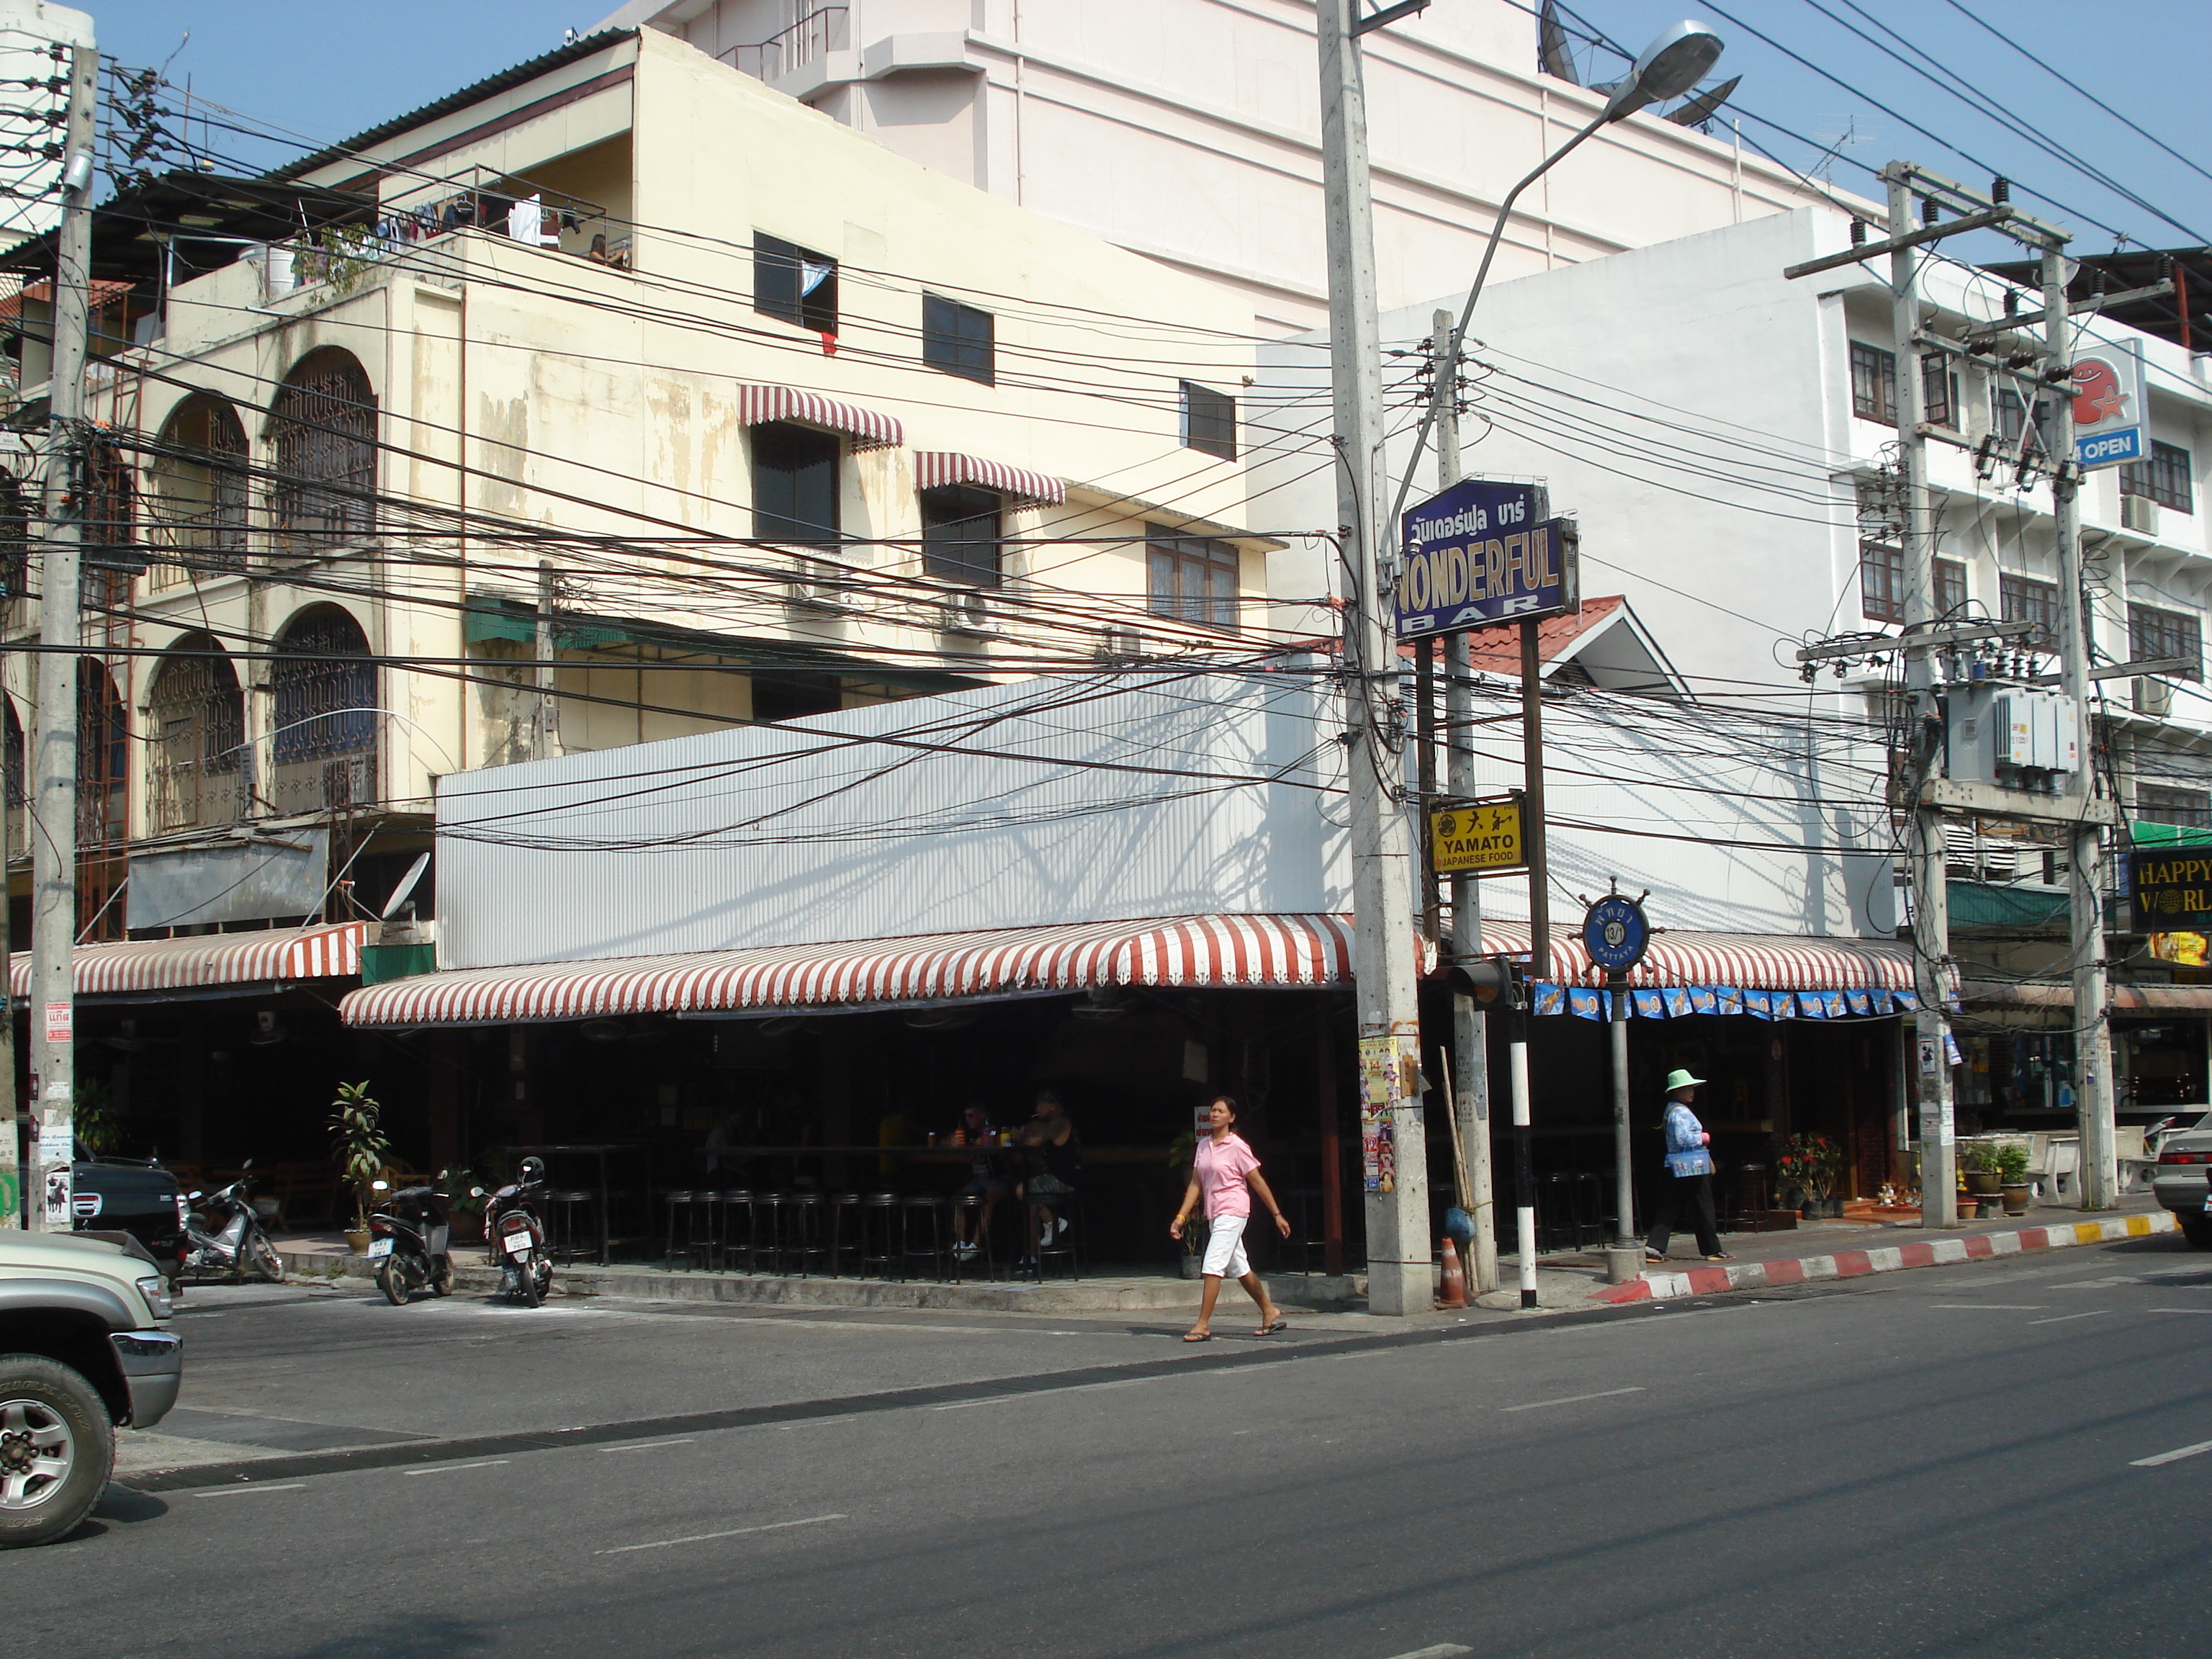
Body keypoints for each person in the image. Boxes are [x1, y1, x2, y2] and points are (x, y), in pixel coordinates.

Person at [1169, 1095, 1290, 1341]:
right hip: (1214, 1213)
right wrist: (1181, 1216)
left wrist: (1277, 1213)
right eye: (1213, 1110)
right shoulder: (1203, 1146)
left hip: (1233, 1210)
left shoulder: (1237, 1146)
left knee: (1213, 1265)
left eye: (1221, 1111)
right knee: (1239, 1266)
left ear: (1231, 1118)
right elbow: (1196, 1184)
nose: (1215, 1115)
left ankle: (1202, 1324)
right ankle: (1269, 1311)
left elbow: (1256, 1181)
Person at [1645, 1067, 1730, 1264]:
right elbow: (1683, 1139)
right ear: (1677, 1091)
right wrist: (1703, 1137)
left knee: (1669, 1206)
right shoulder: (1681, 1112)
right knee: (1703, 1205)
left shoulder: (1672, 1110)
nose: (1692, 1091)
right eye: (1688, 1088)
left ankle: (1654, 1247)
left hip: (1673, 1165)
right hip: (1691, 1166)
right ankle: (1712, 1249)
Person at [1015, 1088, 1080, 1249]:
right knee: (1032, 1198)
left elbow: (1036, 1141)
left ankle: (1054, 1222)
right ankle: (1032, 1255)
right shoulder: (1057, 1122)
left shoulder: (1059, 1122)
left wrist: (1019, 1136)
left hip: (1064, 1179)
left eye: (1040, 1105)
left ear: (1052, 1105)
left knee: (1023, 1190)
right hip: (1061, 1175)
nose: (1037, 1110)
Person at [949, 1101, 1005, 1260]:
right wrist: (952, 1143)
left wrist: (970, 1145)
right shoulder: (969, 1135)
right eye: (966, 1116)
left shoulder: (992, 1130)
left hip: (999, 1178)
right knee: (958, 1200)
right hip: (979, 1180)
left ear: (983, 1115)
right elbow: (964, 1157)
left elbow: (988, 1143)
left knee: (987, 1201)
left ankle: (974, 1247)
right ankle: (959, 1244)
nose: (967, 1119)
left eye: (971, 1116)